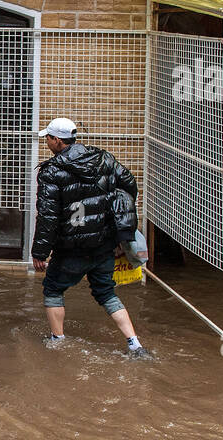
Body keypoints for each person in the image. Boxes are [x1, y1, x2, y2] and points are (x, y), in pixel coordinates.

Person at [31, 117, 153, 359]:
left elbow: (48, 217)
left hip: (71, 248)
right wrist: (118, 225)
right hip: (103, 244)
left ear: (56, 140)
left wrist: (40, 252)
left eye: (48, 138)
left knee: (53, 289)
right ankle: (134, 344)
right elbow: (128, 185)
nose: (46, 142)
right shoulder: (103, 159)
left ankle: (58, 341)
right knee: (106, 293)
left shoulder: (52, 172)